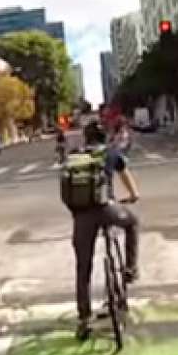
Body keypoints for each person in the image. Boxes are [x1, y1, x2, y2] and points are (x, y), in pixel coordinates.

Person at [68, 121, 140, 341]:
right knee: (132, 223)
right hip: (107, 209)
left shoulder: (75, 156)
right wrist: (133, 195)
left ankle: (83, 319)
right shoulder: (111, 153)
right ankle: (129, 269)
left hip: (82, 217)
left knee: (83, 268)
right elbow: (126, 177)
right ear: (104, 136)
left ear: (86, 138)